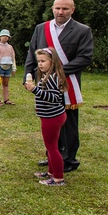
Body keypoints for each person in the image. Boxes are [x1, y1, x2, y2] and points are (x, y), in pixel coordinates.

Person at [25, 0, 93, 172]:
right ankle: (53, 155)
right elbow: (32, 53)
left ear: (73, 10)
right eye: (57, 8)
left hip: (67, 83)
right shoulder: (42, 28)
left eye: (65, 9)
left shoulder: (82, 30)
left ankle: (69, 160)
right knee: (50, 119)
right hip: (44, 82)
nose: (60, 12)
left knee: (68, 122)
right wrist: (28, 74)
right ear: (52, 9)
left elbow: (85, 57)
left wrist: (59, 71)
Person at [24, 48, 68, 187]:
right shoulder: (46, 75)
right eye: (39, 61)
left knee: (52, 148)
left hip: (53, 117)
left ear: (52, 62)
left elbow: (54, 98)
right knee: (50, 147)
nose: (40, 64)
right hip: (49, 116)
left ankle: (58, 179)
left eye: (43, 61)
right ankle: (51, 172)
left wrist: (34, 90)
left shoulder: (53, 78)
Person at [0, 29, 17, 105]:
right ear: (0, 37)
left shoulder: (10, 47)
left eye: (7, 36)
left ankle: (6, 99)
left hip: (8, 66)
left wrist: (14, 68)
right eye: (3, 36)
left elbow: (13, 57)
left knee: (6, 83)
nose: (5, 37)